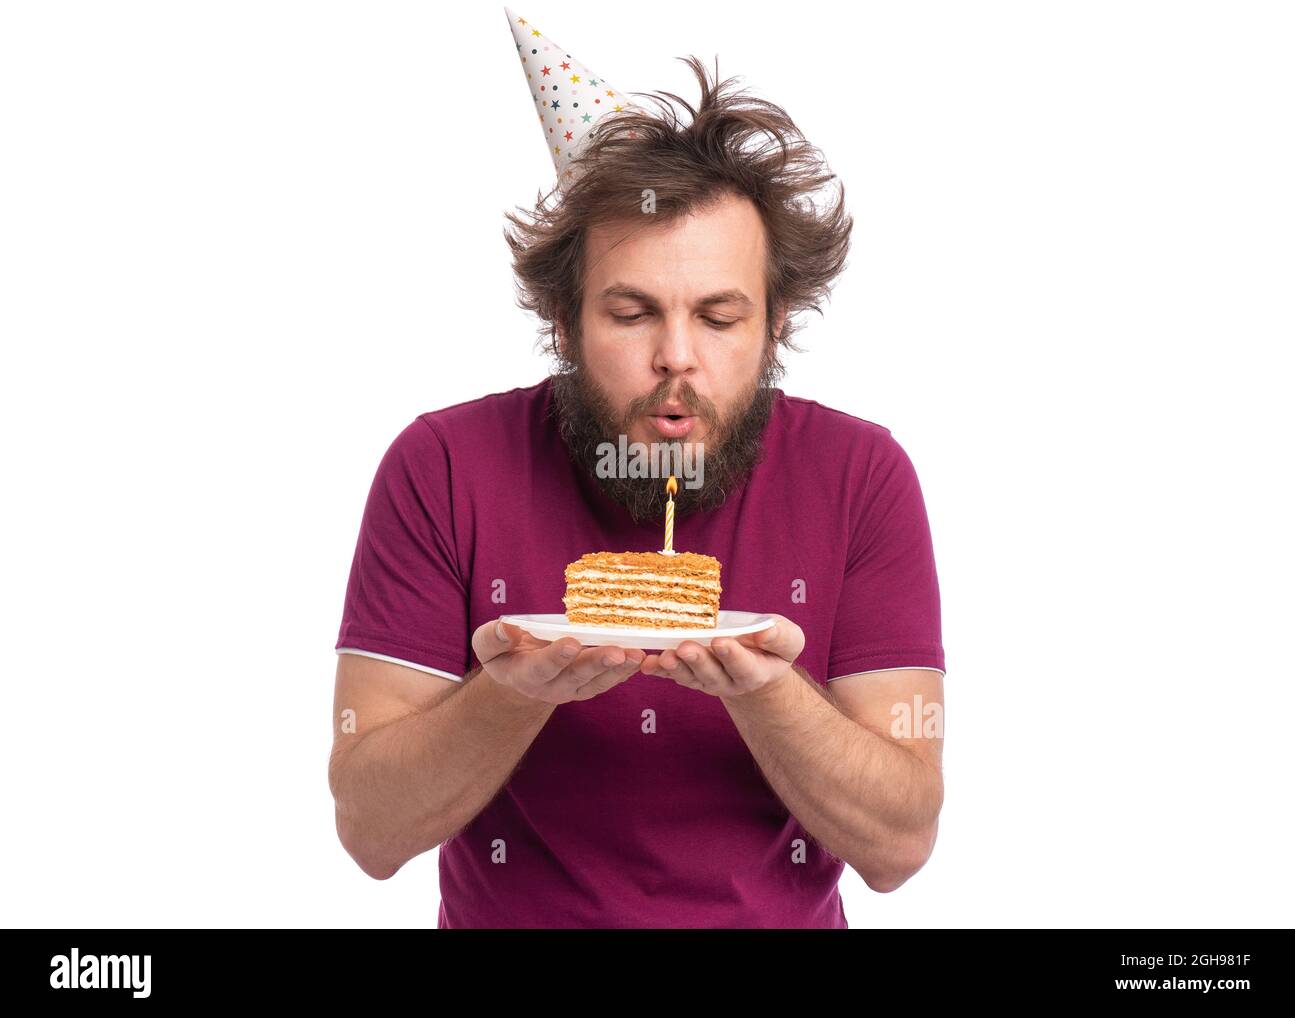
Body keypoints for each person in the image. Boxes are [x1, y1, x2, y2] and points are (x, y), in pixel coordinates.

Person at [328, 53, 946, 929]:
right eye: (632, 313)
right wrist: (515, 691)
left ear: (776, 325)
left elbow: (900, 844)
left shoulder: (862, 475)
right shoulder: (441, 466)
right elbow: (371, 830)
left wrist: (766, 692)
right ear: (562, 320)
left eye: (720, 317)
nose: (677, 358)